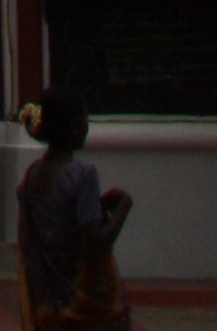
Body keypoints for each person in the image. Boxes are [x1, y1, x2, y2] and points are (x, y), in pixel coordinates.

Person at [15, 91, 130, 331]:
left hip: (49, 307)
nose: (87, 127)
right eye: (85, 120)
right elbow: (95, 244)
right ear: (74, 129)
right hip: (82, 310)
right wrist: (123, 208)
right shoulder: (82, 176)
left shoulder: (32, 175)